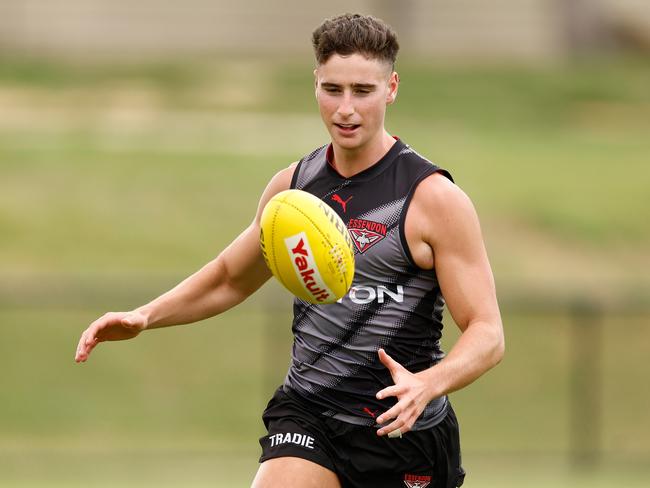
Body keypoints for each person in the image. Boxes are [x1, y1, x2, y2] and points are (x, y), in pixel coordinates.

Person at [75, 13, 504, 488]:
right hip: (309, 413)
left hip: (401, 428)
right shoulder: (293, 195)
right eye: (332, 89)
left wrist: (428, 383)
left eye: (362, 91)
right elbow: (230, 277)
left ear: (392, 88)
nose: (346, 108)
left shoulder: (431, 199)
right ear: (315, 83)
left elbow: (487, 332)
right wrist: (145, 316)